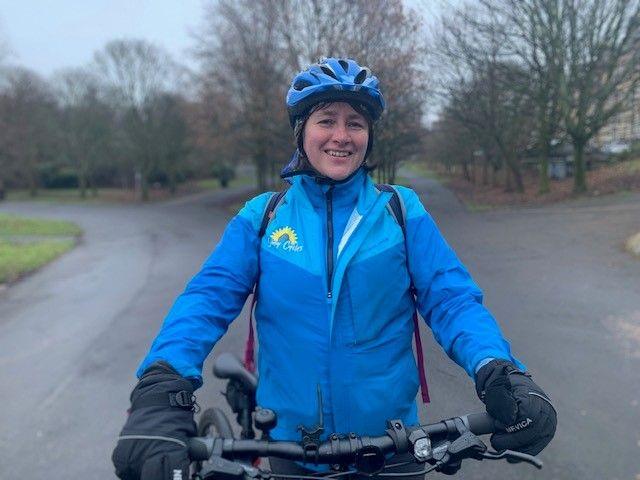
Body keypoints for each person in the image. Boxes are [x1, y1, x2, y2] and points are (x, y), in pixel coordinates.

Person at [112, 58, 557, 480]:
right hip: (292, 449)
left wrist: (498, 367)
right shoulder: (263, 217)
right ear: (301, 131)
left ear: (369, 135)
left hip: (394, 446)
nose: (341, 136)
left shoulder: (400, 211)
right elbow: (206, 299)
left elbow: (451, 298)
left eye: (355, 123)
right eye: (327, 120)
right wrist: (161, 385)